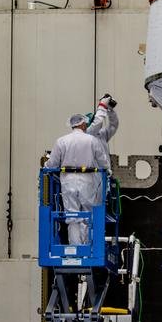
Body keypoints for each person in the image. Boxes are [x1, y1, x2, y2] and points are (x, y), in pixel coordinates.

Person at [47, 113, 109, 245]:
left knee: (72, 216)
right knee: (87, 215)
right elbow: (103, 161)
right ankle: (86, 248)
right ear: (82, 124)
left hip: (68, 181)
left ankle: (75, 249)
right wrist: (108, 171)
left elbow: (52, 164)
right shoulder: (92, 140)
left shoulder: (61, 141)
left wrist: (45, 166)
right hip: (87, 181)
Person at [86, 93, 119, 168]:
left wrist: (110, 110)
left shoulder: (101, 135)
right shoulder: (87, 134)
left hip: (104, 173)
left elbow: (113, 125)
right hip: (93, 174)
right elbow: (98, 123)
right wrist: (102, 106)